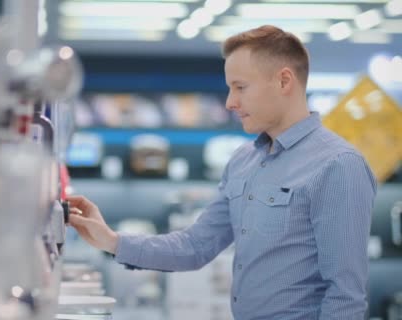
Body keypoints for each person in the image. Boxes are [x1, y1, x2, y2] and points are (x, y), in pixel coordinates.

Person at [67, 25, 377, 320]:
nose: (230, 102)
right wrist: (112, 241)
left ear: (284, 81)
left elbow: (345, 296)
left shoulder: (338, 165)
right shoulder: (244, 160)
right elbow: (195, 246)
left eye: (240, 87)